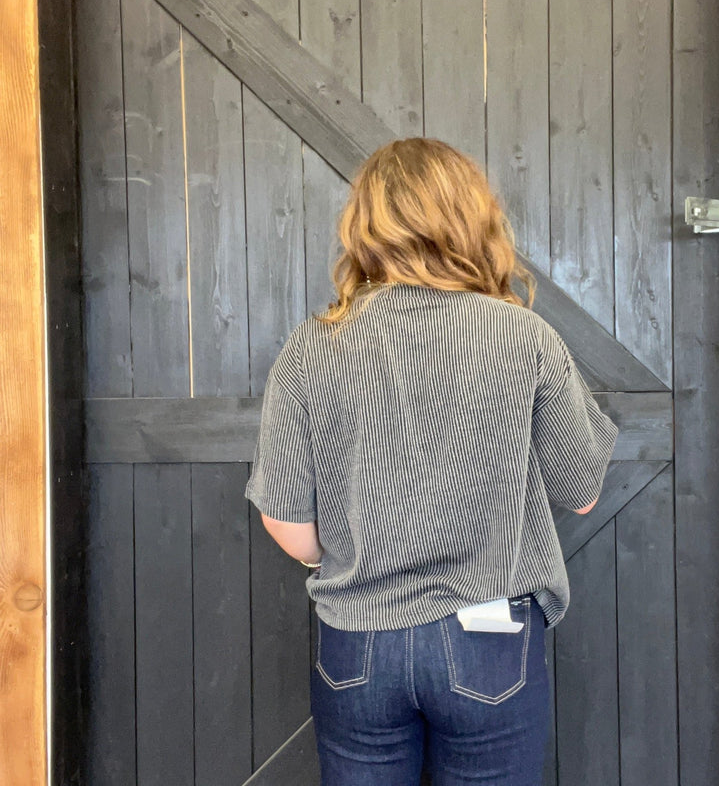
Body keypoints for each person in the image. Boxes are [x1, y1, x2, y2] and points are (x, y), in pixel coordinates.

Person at [244, 137, 619, 786]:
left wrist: (342, 557)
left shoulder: (313, 347)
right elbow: (580, 490)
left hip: (357, 646)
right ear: (474, 219)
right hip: (490, 642)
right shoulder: (523, 337)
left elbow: (287, 523)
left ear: (364, 227)